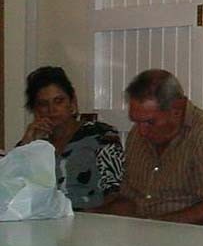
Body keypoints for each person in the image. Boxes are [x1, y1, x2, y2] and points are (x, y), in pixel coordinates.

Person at [95, 69, 203, 225]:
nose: (141, 131)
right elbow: (130, 199)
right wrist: (90, 217)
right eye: (136, 121)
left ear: (177, 110)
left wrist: (156, 227)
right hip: (148, 237)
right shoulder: (137, 136)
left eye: (150, 122)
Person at [16, 66, 124, 209]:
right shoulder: (33, 144)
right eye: (43, 104)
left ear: (72, 103)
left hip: (90, 221)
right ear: (35, 110)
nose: (51, 110)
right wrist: (27, 143)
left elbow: (116, 192)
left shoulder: (101, 135)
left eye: (58, 101)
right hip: (41, 223)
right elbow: (11, 189)